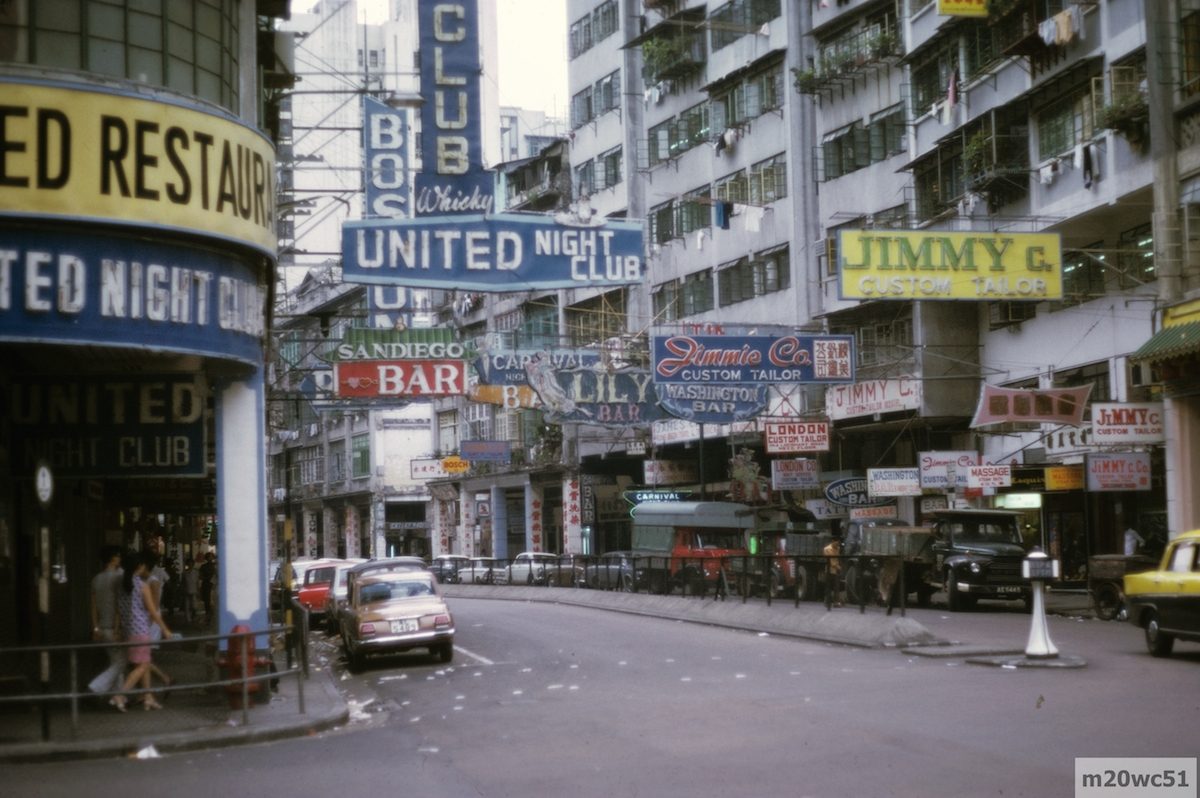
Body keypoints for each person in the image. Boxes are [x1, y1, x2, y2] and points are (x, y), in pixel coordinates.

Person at [113, 550, 173, 712]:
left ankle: (148, 698)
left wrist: (117, 628)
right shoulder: (142, 585)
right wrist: (165, 629)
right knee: (142, 666)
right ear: (140, 566)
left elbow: (118, 609)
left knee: (142, 664)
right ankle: (120, 695)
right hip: (140, 630)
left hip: (128, 629)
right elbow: (153, 611)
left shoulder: (121, 584)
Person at [87, 546, 125, 701]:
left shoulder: (96, 579)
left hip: (102, 627)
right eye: (118, 556)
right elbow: (119, 605)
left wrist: (95, 627)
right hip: (113, 627)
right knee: (121, 662)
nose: (120, 558)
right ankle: (97, 686)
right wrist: (118, 628)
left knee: (114, 661)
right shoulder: (119, 576)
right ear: (114, 558)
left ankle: (119, 697)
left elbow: (93, 606)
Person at [823, 535, 845, 607]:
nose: (838, 544)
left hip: (835, 571)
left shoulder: (837, 548)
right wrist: (838, 567)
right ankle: (827, 602)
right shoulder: (827, 549)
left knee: (836, 587)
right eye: (837, 543)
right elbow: (831, 561)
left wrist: (839, 566)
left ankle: (836, 602)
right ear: (833, 541)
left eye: (838, 543)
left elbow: (837, 559)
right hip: (829, 571)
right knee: (828, 587)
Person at [199, 552, 216, 621]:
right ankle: (208, 614)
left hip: (214, 585)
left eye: (211, 556)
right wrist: (206, 578)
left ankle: (212, 614)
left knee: (214, 600)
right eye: (209, 557)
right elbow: (200, 576)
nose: (210, 558)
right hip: (206, 585)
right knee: (207, 601)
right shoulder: (203, 566)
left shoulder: (215, 565)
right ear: (206, 558)